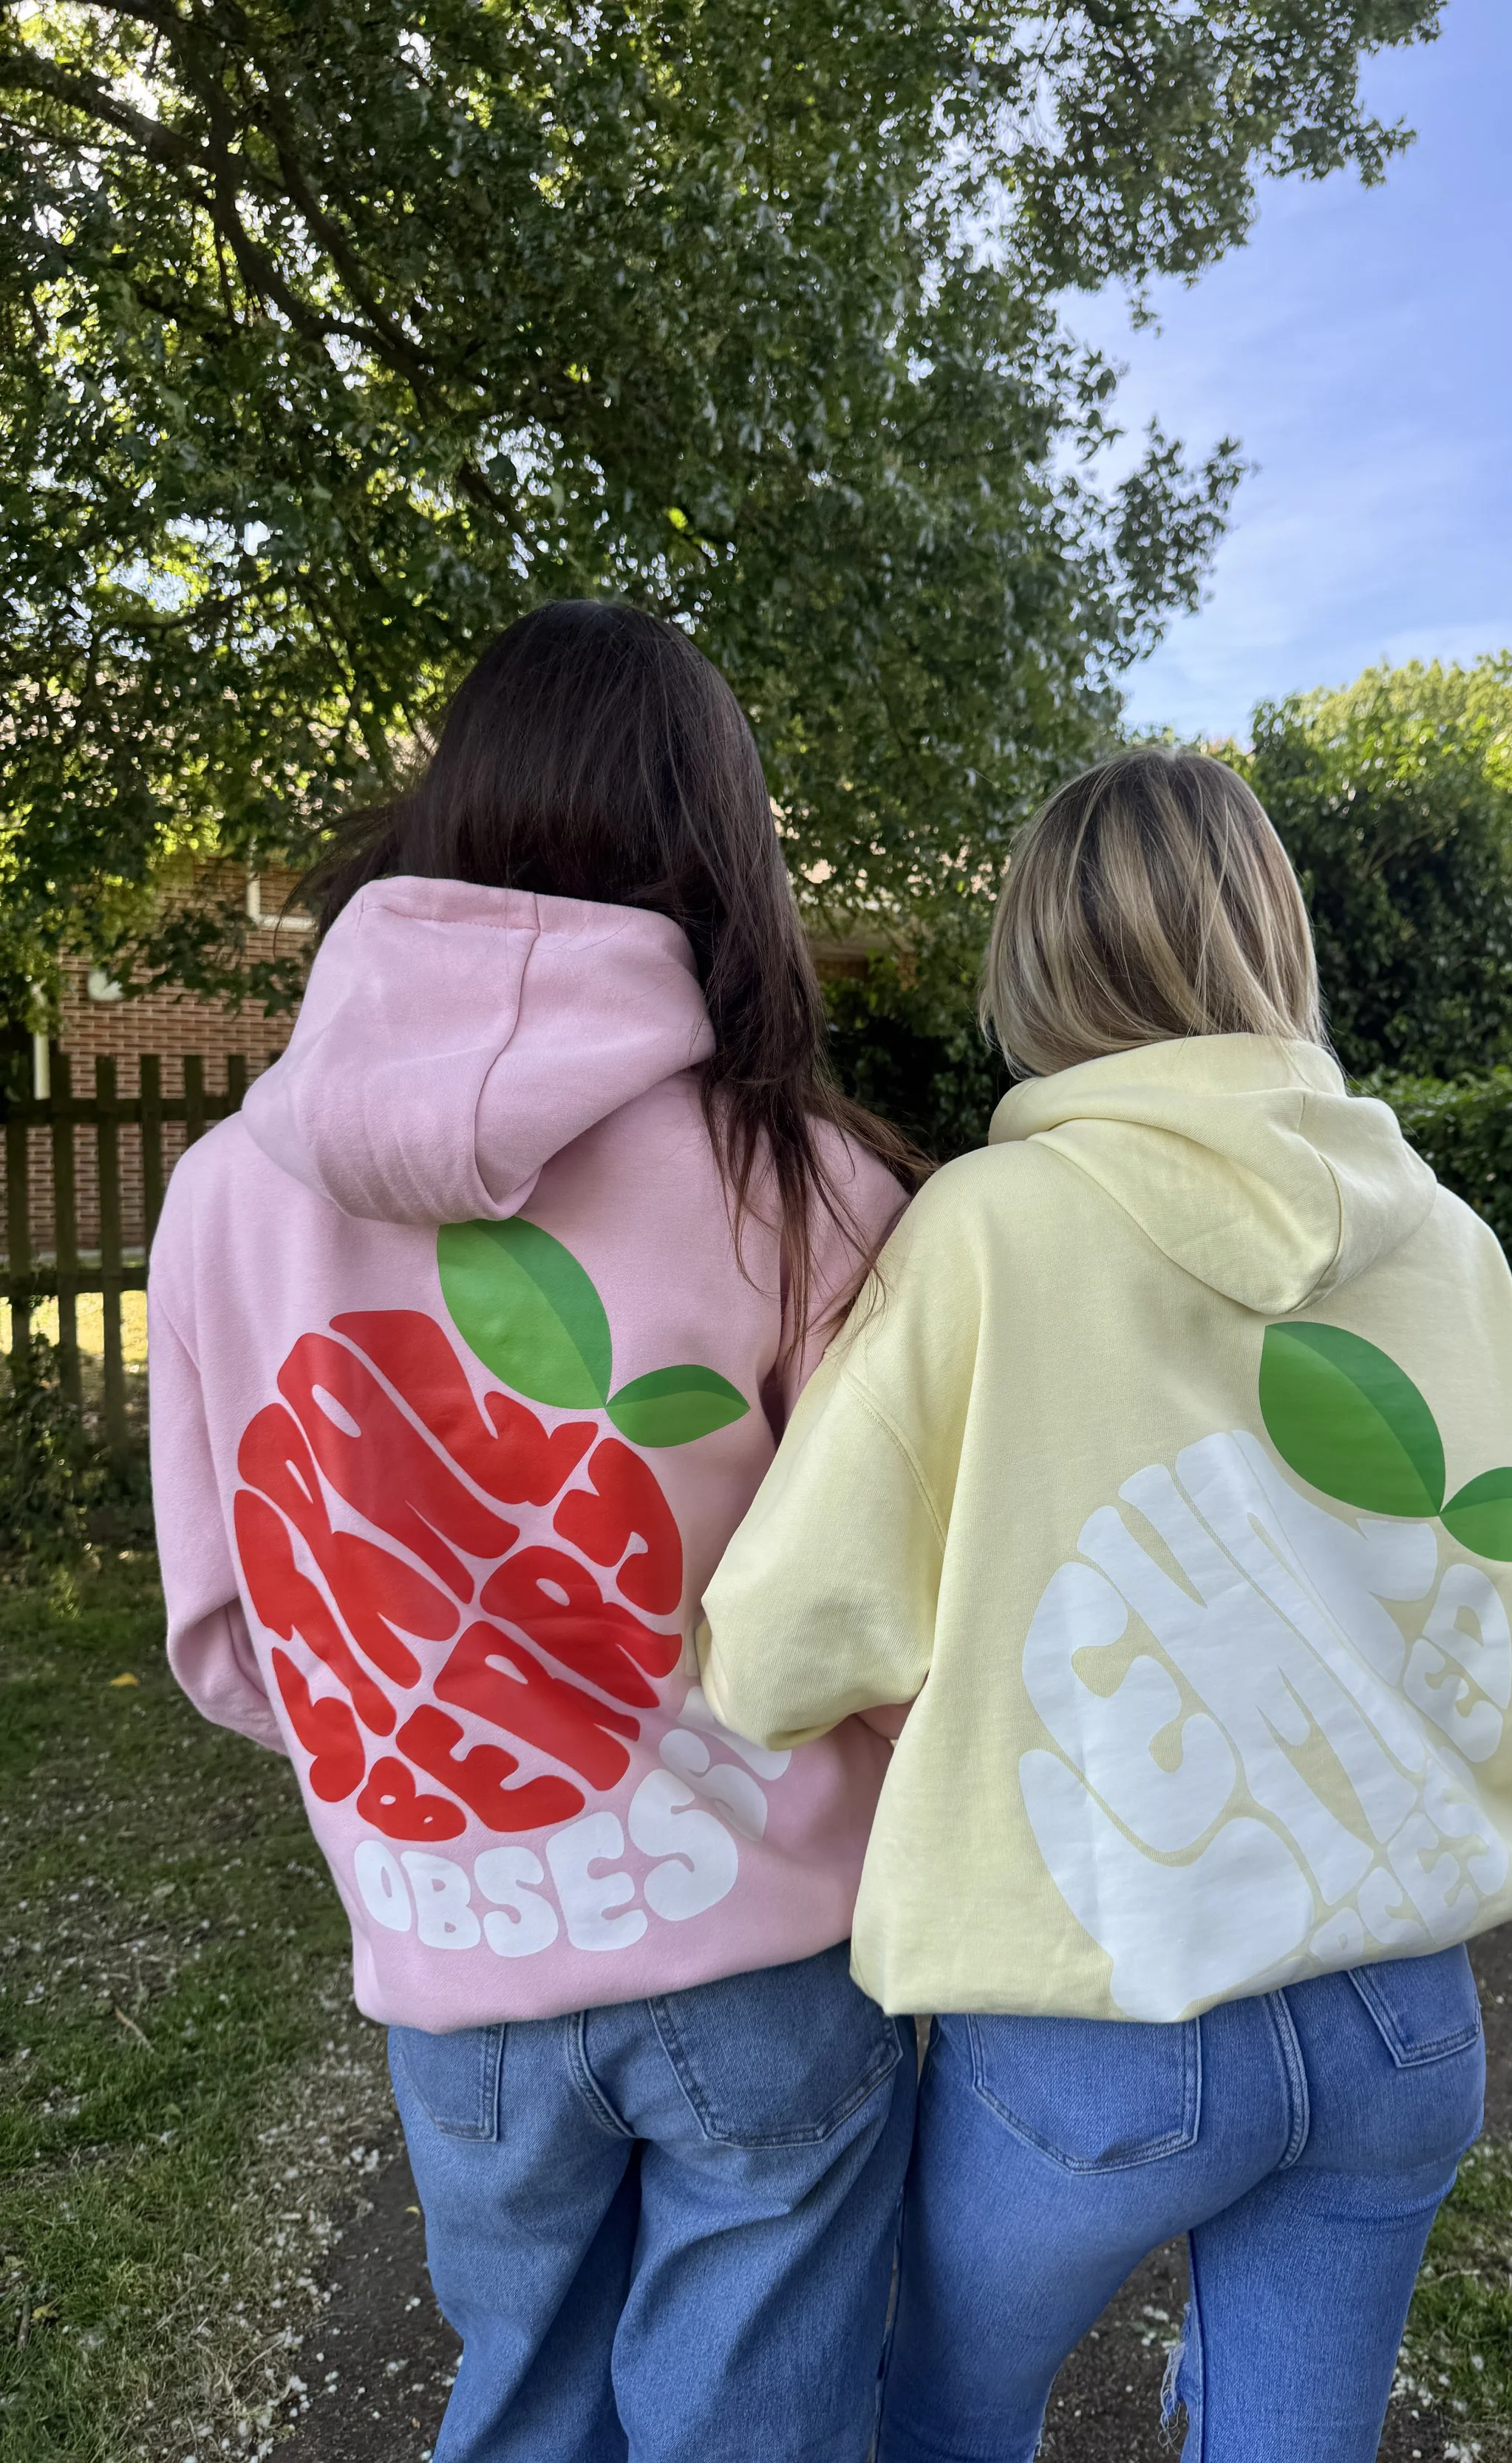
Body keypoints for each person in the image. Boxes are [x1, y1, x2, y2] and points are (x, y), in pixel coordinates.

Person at [701, 746, 1512, 2463]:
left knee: (940, 2419)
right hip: (1405, 2009)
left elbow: (783, 1641)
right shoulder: (1450, 1243)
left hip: (1093, 2019)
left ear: (1035, 961)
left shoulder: (984, 1231)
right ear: (1275, 935)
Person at [147, 599, 927, 2463]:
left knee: (517, 2409)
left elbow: (231, 1632)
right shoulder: (806, 1184)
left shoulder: (216, 1198)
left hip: (449, 1969)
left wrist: (458, 1802)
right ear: (720, 845)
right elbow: (896, 1631)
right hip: (767, 1959)